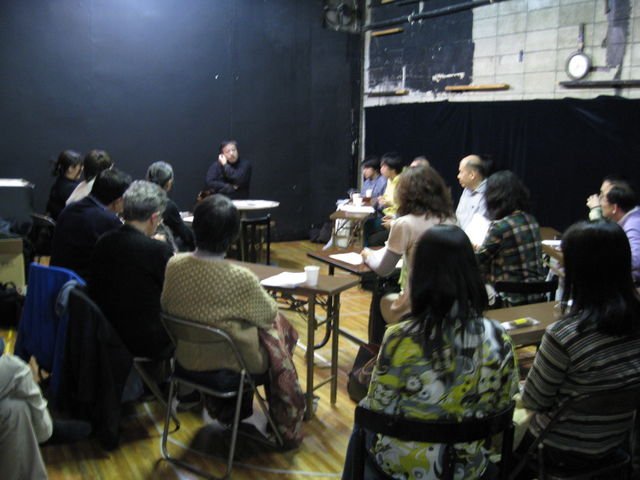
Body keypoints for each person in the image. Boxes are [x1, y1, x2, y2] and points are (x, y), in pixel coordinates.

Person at [343, 225, 519, 480]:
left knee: (361, 421)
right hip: (467, 469)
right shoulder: (499, 336)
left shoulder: (400, 338)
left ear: (420, 275)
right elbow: (502, 404)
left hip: (402, 468)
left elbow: (378, 408)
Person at [161, 194, 304, 445]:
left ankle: (232, 409)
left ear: (195, 227)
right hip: (233, 363)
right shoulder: (239, 277)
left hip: (185, 358)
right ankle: (284, 412)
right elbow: (268, 314)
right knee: (276, 330)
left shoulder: (174, 265)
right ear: (233, 234)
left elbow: (166, 305)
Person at [516, 220, 640, 476]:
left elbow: (534, 400)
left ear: (580, 271)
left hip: (558, 450)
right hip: (614, 444)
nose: (561, 266)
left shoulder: (564, 336)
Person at [362, 166, 456, 338]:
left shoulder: (405, 223)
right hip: (448, 301)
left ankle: (379, 350)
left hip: (417, 303)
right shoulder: (451, 220)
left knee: (379, 295)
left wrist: (368, 255)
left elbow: (384, 269)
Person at [89, 180, 174, 361]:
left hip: (105, 336)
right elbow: (174, 297)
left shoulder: (103, 241)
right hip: (145, 343)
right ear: (154, 218)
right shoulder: (158, 251)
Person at [475, 170, 545, 306]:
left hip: (508, 298)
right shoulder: (531, 220)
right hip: (537, 295)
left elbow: (478, 260)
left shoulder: (500, 226)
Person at [50, 169, 131, 280]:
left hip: (56, 280)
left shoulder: (70, 208)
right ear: (119, 201)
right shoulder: (109, 220)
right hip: (82, 285)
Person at [147, 161, 195, 251]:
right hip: (158, 248)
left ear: (148, 180)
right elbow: (185, 235)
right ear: (169, 183)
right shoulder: (167, 205)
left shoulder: (134, 199)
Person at [599, 182, 640, 282]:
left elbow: (635, 260)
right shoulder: (630, 217)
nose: (600, 204)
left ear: (614, 208)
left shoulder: (633, 224)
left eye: (603, 200)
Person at [365, 152, 404, 247]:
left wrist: (390, 204)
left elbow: (405, 205)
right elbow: (387, 198)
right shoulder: (389, 180)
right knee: (365, 225)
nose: (381, 169)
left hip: (397, 219)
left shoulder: (402, 182)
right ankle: (365, 250)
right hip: (387, 216)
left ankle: (369, 251)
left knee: (372, 240)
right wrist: (382, 199)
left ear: (393, 169)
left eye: (384, 166)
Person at [456, 154, 491, 230]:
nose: (458, 176)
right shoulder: (466, 190)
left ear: (472, 175)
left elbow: (481, 226)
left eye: (461, 172)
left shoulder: (489, 192)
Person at [46, 150, 83, 220]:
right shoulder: (71, 189)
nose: (82, 168)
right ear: (70, 168)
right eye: (80, 165)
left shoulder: (58, 183)